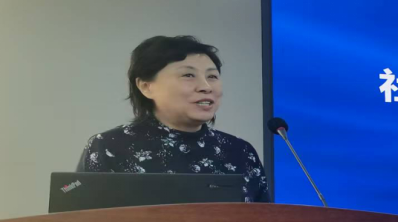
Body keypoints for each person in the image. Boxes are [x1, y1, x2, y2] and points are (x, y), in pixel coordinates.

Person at [77, 35, 268, 202]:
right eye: (188, 75)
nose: (206, 87)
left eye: (212, 76)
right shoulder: (110, 147)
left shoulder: (240, 152)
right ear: (146, 87)